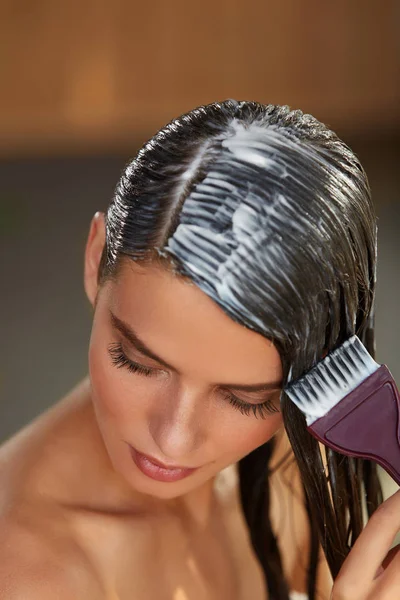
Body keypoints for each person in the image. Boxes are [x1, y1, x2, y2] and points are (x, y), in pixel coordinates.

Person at [0, 99, 399, 600]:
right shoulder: (28, 577)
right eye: (137, 362)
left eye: (245, 399)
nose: (172, 440)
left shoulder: (290, 456)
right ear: (95, 260)